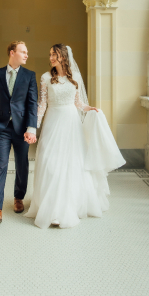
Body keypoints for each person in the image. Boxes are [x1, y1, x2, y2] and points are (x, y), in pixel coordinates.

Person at [30, 42, 124, 230]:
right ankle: (50, 205)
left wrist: (90, 109)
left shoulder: (75, 80)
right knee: (50, 161)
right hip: (52, 121)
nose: (50, 58)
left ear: (63, 57)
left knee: (71, 163)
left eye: (54, 55)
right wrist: (34, 128)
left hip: (71, 123)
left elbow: (78, 103)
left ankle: (66, 207)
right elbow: (41, 105)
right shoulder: (46, 78)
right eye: (50, 54)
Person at [0, 42, 39, 224]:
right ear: (12, 53)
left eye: (27, 52)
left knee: (22, 164)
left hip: (22, 129)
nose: (26, 55)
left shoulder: (30, 76)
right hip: (1, 128)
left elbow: (33, 104)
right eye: (23, 52)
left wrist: (31, 129)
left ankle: (18, 197)